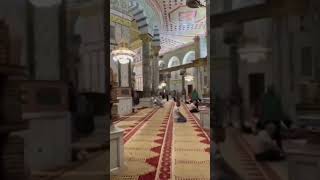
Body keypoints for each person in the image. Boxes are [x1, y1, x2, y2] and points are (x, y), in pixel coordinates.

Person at [259, 85, 284, 150]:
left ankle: (270, 148)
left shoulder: (264, 97)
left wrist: (261, 120)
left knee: (268, 135)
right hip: (273, 119)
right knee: (277, 135)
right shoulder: (276, 97)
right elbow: (280, 109)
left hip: (268, 119)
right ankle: (279, 148)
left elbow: (262, 109)